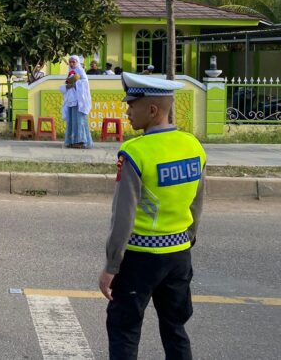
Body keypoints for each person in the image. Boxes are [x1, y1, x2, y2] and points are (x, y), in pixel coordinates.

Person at [99, 72, 206, 360]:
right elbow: (197, 204)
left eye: (132, 105)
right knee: (175, 328)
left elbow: (123, 217)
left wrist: (111, 265)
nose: (127, 111)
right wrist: (187, 239)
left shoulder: (135, 152)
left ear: (153, 110)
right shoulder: (193, 146)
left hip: (140, 257)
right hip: (179, 255)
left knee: (125, 329)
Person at [60, 55, 93, 149]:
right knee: (71, 121)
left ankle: (81, 141)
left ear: (77, 63)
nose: (71, 64)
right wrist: (67, 86)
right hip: (71, 101)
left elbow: (85, 83)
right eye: (70, 62)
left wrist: (74, 84)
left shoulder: (81, 72)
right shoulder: (70, 72)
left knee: (79, 121)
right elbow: (66, 85)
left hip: (79, 102)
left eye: (73, 62)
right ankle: (71, 141)